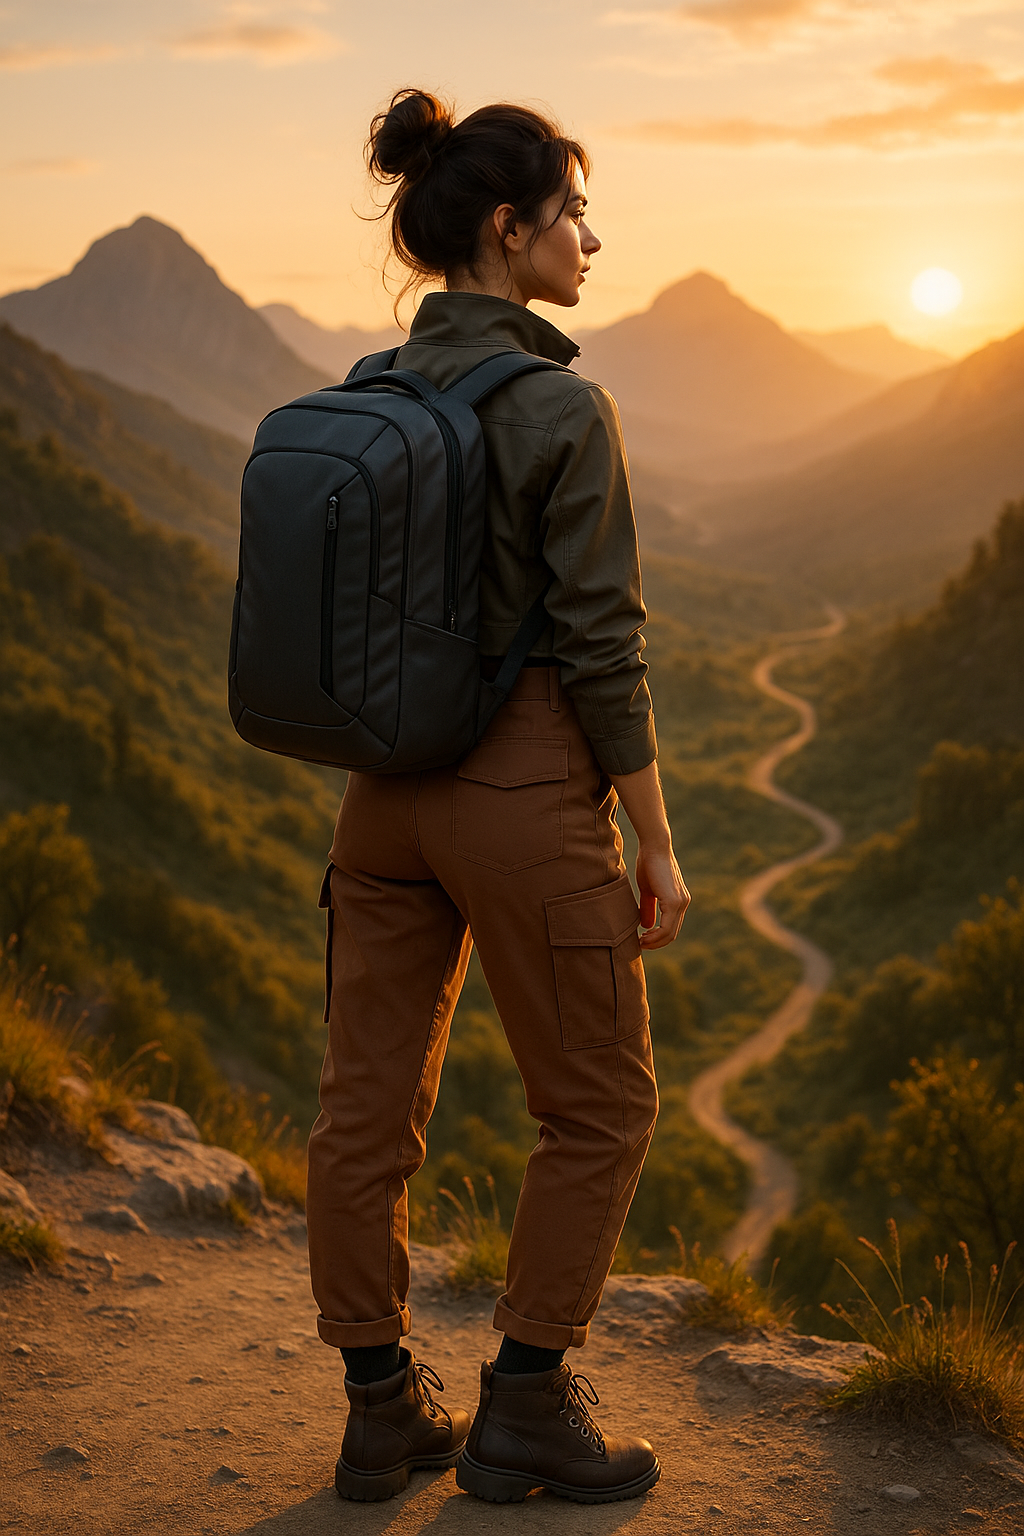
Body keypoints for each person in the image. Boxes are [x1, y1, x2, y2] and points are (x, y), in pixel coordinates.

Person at [305, 88, 690, 1506]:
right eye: (574, 213)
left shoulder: (365, 392)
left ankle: (377, 1409)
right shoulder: (560, 408)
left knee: (363, 1112)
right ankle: (525, 1402)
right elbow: (602, 642)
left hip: (379, 796)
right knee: (597, 1102)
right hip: (524, 784)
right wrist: (652, 835)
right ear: (509, 230)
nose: (590, 238)